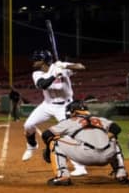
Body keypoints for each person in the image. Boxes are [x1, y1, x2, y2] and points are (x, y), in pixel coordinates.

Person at [22, 49, 88, 177]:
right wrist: (55, 75)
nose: (33, 62)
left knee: (69, 135)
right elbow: (43, 85)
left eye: (36, 60)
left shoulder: (60, 66)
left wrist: (65, 65)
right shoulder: (36, 73)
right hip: (47, 105)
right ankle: (32, 146)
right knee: (28, 125)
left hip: (65, 106)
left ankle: (80, 167)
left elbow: (82, 67)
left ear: (42, 61)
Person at [42, 100, 129, 186]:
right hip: (107, 156)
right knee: (113, 140)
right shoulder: (99, 119)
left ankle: (62, 175)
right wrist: (106, 138)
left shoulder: (70, 121)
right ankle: (121, 173)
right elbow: (116, 128)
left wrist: (48, 152)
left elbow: (46, 134)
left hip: (85, 156)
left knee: (55, 141)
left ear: (73, 112)